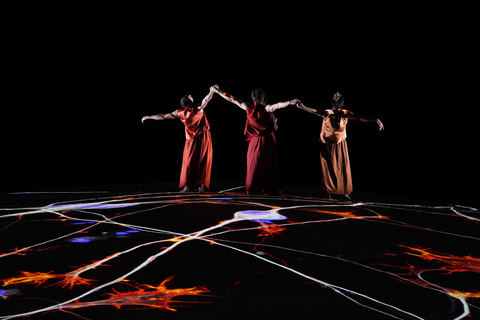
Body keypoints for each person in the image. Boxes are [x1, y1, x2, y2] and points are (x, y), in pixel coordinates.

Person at [211, 86, 299, 195]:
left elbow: (232, 99)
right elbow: (279, 105)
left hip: (255, 141)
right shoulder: (267, 109)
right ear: (263, 99)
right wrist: (291, 102)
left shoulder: (248, 107)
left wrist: (218, 91)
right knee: (268, 163)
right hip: (268, 140)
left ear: (253, 98)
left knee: (254, 163)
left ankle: (253, 187)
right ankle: (270, 188)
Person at [297, 92, 384, 200]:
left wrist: (374, 119)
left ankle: (344, 191)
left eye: (337, 104)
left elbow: (360, 118)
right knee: (327, 168)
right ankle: (327, 191)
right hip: (327, 145)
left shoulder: (344, 113)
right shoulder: (327, 113)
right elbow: (315, 111)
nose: (335, 105)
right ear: (332, 104)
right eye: (333, 103)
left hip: (340, 144)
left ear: (341, 104)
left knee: (342, 167)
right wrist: (303, 107)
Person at [141, 86, 217, 193]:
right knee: (203, 160)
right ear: (190, 102)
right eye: (189, 96)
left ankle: (188, 186)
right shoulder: (198, 109)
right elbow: (206, 100)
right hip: (203, 137)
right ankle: (200, 186)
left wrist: (148, 117)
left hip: (190, 139)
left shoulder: (180, 112)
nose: (190, 95)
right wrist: (212, 91)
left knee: (188, 162)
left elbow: (163, 116)